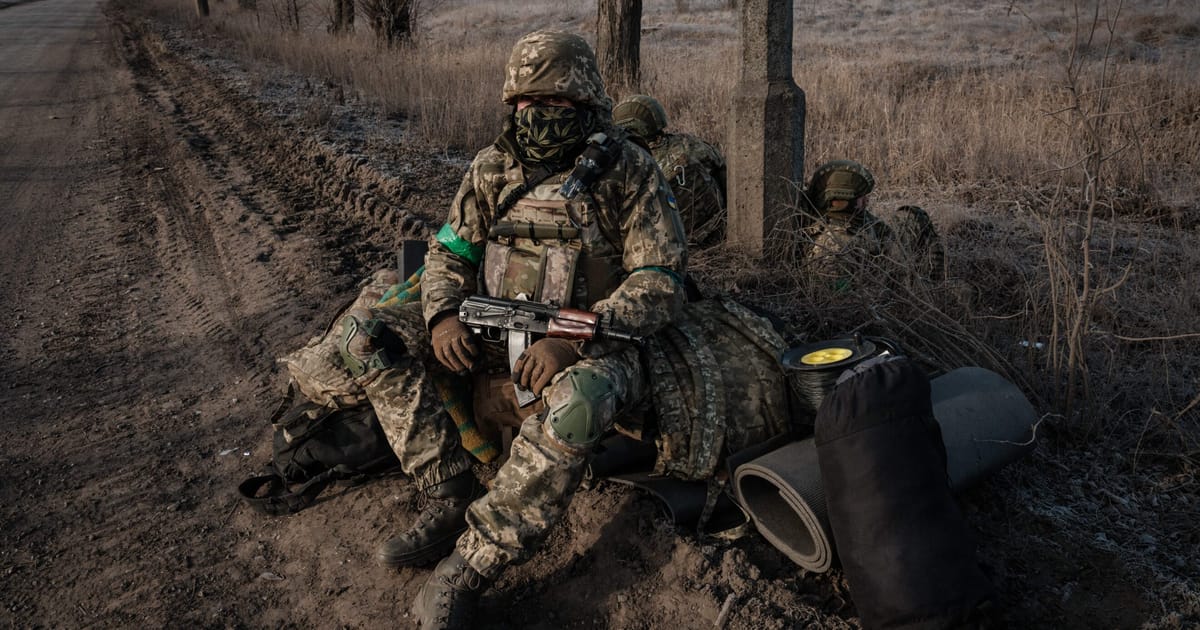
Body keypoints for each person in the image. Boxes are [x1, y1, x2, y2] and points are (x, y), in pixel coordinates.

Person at [801, 159, 945, 288]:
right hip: (880, 285)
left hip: (885, 256)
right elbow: (843, 296)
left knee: (914, 215)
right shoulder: (833, 246)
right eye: (861, 197)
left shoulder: (854, 216)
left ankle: (936, 283)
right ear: (843, 201)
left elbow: (883, 231)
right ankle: (931, 290)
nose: (866, 200)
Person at [613, 94, 728, 247]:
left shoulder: (628, 163)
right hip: (717, 230)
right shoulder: (689, 144)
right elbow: (722, 171)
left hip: (668, 244)